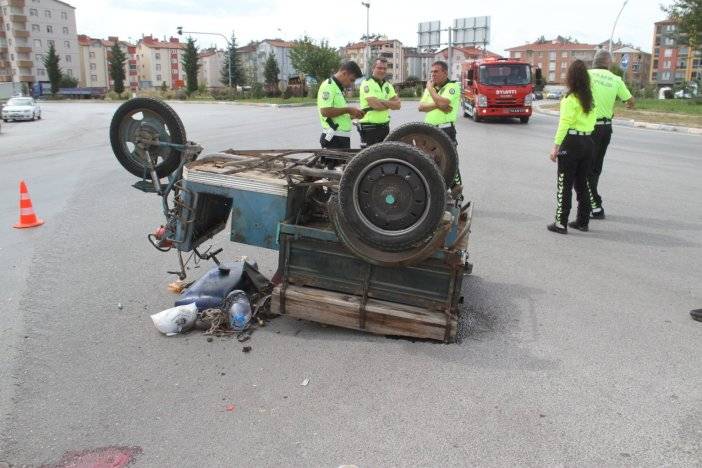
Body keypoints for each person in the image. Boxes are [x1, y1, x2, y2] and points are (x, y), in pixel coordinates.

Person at [547, 60, 597, 234]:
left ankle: (561, 223)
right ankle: (583, 221)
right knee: (583, 184)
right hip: (588, 143)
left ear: (570, 78)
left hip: (572, 143)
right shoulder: (590, 99)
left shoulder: (570, 99)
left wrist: (555, 147)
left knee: (565, 184)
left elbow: (564, 124)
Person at [588, 49, 635, 219]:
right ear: (608, 63)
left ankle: (595, 206)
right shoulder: (616, 79)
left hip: (588, 127)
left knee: (585, 168)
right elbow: (630, 101)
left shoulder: (586, 75)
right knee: (595, 168)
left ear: (594, 61)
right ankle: (592, 203)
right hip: (605, 129)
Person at [317, 60, 364, 150]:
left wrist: (353, 115)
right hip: (333, 139)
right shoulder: (329, 85)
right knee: (333, 164)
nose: (352, 83)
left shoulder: (337, 88)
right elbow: (325, 111)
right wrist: (348, 110)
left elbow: (338, 114)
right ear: (344, 73)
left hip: (341, 138)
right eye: (352, 80)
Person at [357, 58, 401, 147]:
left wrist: (381, 101)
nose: (382, 71)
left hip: (384, 126)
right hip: (369, 127)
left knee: (383, 156)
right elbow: (375, 105)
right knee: (370, 158)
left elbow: (398, 105)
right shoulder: (367, 83)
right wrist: (390, 104)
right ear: (373, 68)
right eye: (379, 68)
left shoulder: (387, 85)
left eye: (384, 68)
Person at [418, 60, 461, 145]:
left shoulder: (453, 86)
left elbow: (443, 103)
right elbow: (421, 107)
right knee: (427, 157)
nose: (433, 74)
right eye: (432, 72)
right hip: (429, 129)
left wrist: (430, 89)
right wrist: (439, 105)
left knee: (447, 157)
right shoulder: (431, 87)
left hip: (445, 129)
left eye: (436, 71)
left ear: (445, 73)